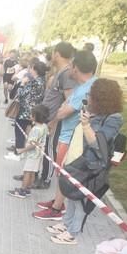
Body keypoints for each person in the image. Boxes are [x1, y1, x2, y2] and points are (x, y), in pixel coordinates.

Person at [46, 78, 123, 245]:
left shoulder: (114, 118)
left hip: (93, 167)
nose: (89, 97)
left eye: (92, 94)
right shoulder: (94, 112)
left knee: (82, 199)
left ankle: (73, 234)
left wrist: (86, 124)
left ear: (102, 97)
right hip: (78, 160)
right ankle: (66, 224)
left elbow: (98, 144)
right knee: (72, 196)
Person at [33, 50, 98, 221]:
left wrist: (62, 110)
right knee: (61, 171)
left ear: (76, 68)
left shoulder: (88, 88)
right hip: (67, 134)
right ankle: (57, 201)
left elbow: (64, 111)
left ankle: (56, 209)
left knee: (64, 173)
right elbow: (64, 106)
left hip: (71, 138)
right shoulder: (85, 86)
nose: (69, 68)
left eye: (71, 65)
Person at [37, 42, 76, 189]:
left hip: (54, 120)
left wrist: (54, 121)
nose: (52, 56)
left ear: (57, 54)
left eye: (53, 53)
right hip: (47, 118)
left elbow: (69, 101)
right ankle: (39, 175)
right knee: (44, 148)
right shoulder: (60, 72)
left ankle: (46, 180)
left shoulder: (66, 73)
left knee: (49, 150)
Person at [7, 105, 49, 198]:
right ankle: (28, 189)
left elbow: (32, 144)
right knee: (32, 172)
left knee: (27, 172)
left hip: (32, 155)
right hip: (38, 155)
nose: (30, 115)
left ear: (35, 116)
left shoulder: (35, 130)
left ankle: (22, 190)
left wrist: (22, 150)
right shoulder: (44, 126)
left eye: (32, 114)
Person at [7, 60, 46, 153]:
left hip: (25, 110)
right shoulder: (42, 80)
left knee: (19, 130)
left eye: (31, 68)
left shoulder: (34, 82)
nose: (30, 70)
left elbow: (21, 93)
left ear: (35, 70)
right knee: (27, 129)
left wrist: (22, 83)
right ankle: (24, 147)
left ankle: (18, 150)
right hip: (33, 109)